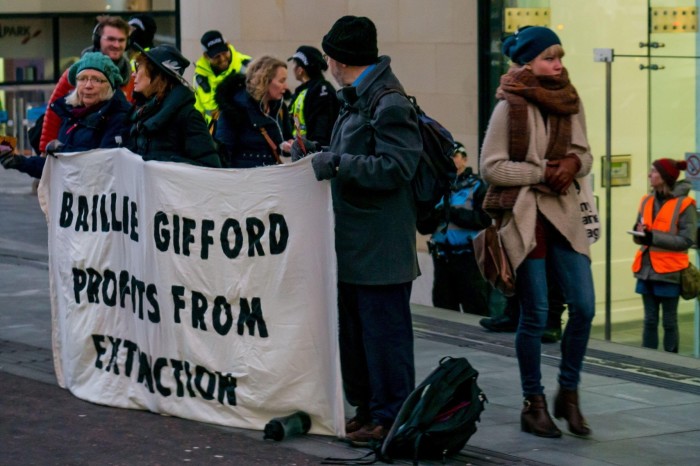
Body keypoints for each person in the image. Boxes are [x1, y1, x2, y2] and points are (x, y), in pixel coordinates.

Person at [293, 16, 423, 445]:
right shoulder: (359, 98)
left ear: (336, 58)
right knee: (357, 337)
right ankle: (368, 411)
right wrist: (314, 152)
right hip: (354, 245)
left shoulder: (389, 101)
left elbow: (397, 166)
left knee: (384, 340)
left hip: (380, 248)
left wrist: (336, 164)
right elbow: (354, 154)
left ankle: (392, 417)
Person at [480, 26, 595, 438]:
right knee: (537, 314)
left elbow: (584, 153)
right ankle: (535, 403)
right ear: (527, 62)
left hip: (566, 215)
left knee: (583, 306)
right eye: (550, 57)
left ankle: (569, 391)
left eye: (560, 56)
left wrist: (572, 166)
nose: (558, 65)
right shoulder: (509, 106)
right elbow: (490, 167)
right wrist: (541, 172)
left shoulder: (570, 98)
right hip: (527, 219)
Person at [0, 53, 131, 179]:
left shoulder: (118, 118)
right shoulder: (72, 115)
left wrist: (62, 151)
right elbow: (56, 168)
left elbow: (102, 167)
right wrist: (19, 161)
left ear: (109, 86)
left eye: (97, 80)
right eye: (82, 78)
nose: (88, 85)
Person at [39, 15, 135, 154]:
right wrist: (45, 150)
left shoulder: (132, 78)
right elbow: (54, 114)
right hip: (74, 151)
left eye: (121, 40)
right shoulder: (75, 73)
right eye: (111, 39)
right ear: (97, 40)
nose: (116, 45)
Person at [632, 159, 696, 353]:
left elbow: (687, 240)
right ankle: (647, 360)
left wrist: (652, 237)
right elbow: (639, 233)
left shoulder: (685, 205)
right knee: (649, 320)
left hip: (670, 270)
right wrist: (639, 232)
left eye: (653, 171)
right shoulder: (646, 200)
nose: (649, 175)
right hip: (646, 269)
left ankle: (671, 362)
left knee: (669, 321)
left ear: (665, 177)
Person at [126, 44, 221, 167]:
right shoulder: (143, 111)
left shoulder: (188, 116)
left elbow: (210, 167)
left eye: (138, 67)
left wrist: (156, 162)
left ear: (158, 75)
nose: (134, 74)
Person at [426, 142, 491, 315]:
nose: (451, 160)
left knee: (475, 305)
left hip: (468, 257)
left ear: (464, 159)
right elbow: (425, 224)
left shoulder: (477, 185)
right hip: (442, 257)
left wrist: (452, 212)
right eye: (447, 157)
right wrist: (436, 214)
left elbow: (485, 219)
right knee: (443, 307)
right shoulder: (437, 186)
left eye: (454, 156)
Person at [214, 56, 292, 168]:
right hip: (244, 179)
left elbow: (282, 141)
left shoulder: (279, 107)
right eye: (281, 81)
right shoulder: (234, 108)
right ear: (264, 80)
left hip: (271, 177)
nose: (286, 87)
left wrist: (289, 146)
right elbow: (223, 154)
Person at [194, 30, 252, 126]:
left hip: (246, 133)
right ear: (206, 56)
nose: (222, 59)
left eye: (224, 53)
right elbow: (198, 113)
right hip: (215, 136)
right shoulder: (200, 78)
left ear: (228, 45)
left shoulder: (249, 66)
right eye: (216, 56)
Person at [287, 45, 340, 146]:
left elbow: (323, 125)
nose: (292, 68)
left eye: (294, 64)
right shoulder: (302, 91)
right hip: (302, 150)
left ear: (300, 69)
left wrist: (315, 147)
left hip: (315, 153)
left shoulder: (322, 91)